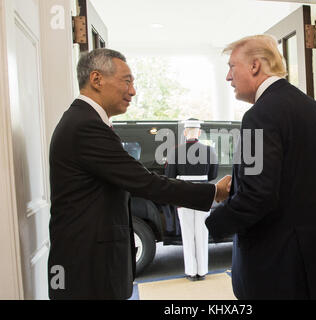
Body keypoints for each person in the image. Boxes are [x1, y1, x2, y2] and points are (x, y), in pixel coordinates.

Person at [48, 48, 231, 300]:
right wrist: (214, 192)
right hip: (88, 266)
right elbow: (144, 181)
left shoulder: (84, 120)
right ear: (96, 79)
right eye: (127, 81)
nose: (133, 91)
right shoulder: (85, 126)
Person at [205, 35, 316, 300]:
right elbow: (294, 179)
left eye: (232, 66)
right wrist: (240, 184)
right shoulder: (307, 104)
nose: (228, 77)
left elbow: (257, 196)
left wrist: (214, 221)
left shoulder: (259, 115)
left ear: (254, 66)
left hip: (285, 271)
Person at [164, 119, 219, 281]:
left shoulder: (175, 152)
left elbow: (169, 176)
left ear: (185, 132)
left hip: (184, 194)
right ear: (199, 132)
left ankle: (191, 273)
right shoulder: (210, 151)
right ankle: (202, 272)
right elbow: (213, 175)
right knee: (202, 233)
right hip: (203, 194)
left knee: (187, 235)